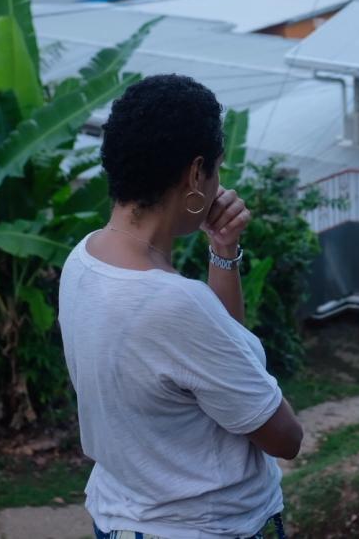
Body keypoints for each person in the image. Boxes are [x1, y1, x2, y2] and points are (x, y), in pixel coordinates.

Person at [58, 74, 303, 539]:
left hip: (122, 519)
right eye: (215, 170)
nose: (217, 186)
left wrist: (223, 249)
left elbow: (220, 351)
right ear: (195, 174)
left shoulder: (84, 260)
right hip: (204, 528)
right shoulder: (173, 303)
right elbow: (284, 437)